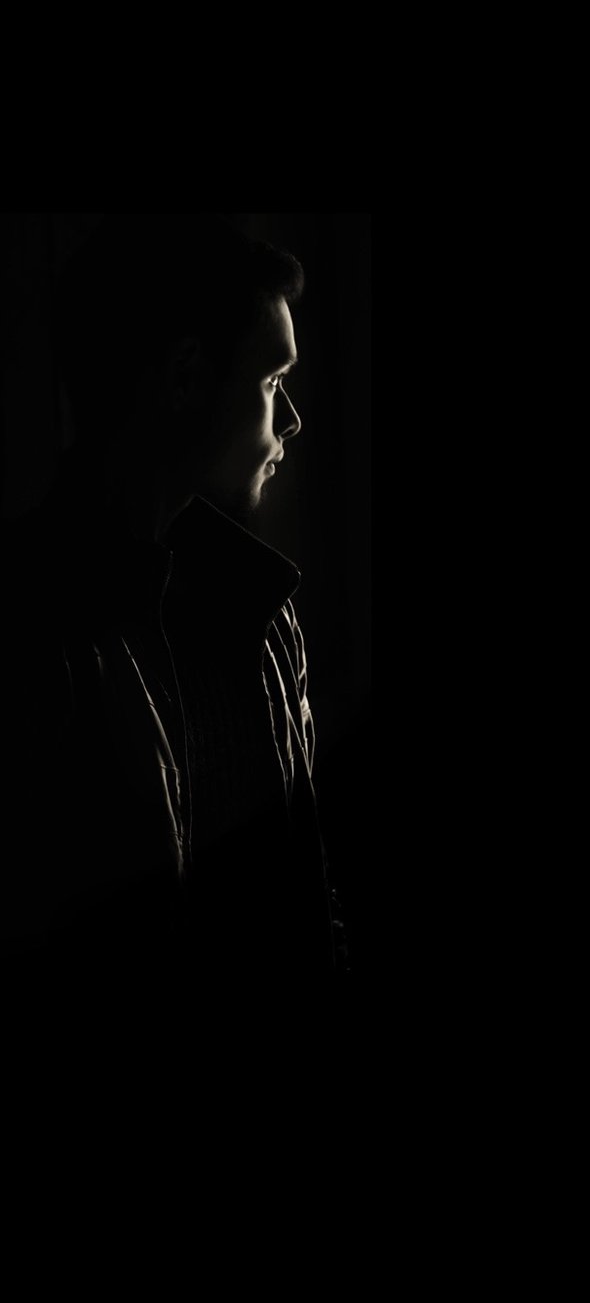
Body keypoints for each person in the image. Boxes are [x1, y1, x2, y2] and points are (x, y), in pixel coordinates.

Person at [0, 214, 342, 979]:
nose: (290, 421)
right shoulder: (29, 626)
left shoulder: (261, 611)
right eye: (272, 381)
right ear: (186, 377)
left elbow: (307, 910)